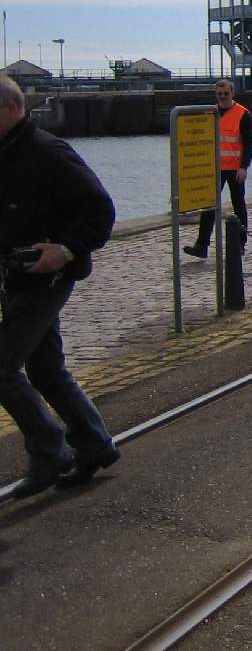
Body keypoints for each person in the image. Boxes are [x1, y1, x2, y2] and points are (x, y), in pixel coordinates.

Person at [0, 74, 121, 496]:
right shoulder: (6, 153)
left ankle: (51, 452)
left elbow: (100, 210)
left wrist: (66, 250)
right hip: (16, 277)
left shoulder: (49, 152)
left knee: (2, 367)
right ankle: (93, 444)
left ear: (12, 109)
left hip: (48, 276)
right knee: (45, 368)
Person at [184, 78, 252, 259]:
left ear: (232, 94)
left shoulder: (242, 114)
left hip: (235, 169)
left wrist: (243, 167)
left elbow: (249, 143)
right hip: (214, 168)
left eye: (226, 94)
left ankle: (240, 244)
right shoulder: (211, 113)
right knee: (209, 206)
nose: (222, 97)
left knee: (239, 205)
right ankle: (202, 245)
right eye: (219, 94)